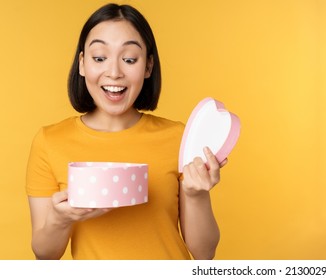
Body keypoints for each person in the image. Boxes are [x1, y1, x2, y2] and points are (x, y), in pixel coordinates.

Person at [25, 3, 225, 260]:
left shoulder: (178, 137)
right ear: (83, 64)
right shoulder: (49, 141)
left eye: (129, 59)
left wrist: (196, 194)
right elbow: (45, 254)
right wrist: (60, 219)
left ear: (148, 67)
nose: (114, 72)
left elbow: (204, 253)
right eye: (99, 58)